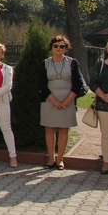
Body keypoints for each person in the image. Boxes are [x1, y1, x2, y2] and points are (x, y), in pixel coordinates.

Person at [39, 35, 86, 170]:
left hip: (68, 99)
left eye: (62, 46)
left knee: (64, 130)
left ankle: (60, 159)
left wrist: (67, 100)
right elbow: (41, 84)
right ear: (51, 47)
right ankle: (50, 158)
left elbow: (77, 84)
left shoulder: (72, 63)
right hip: (49, 100)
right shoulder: (45, 63)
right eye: (56, 46)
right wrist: (54, 100)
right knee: (49, 129)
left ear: (66, 48)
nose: (58, 48)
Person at [90, 38, 108, 174]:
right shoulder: (101, 65)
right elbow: (93, 83)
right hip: (104, 105)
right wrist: (104, 96)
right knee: (106, 135)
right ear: (107, 49)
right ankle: (106, 162)